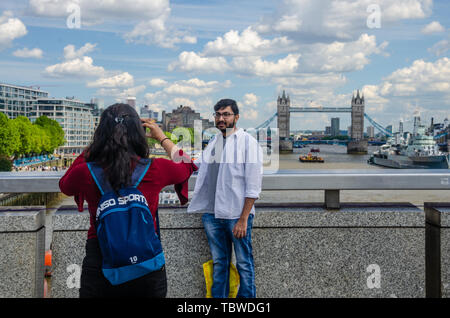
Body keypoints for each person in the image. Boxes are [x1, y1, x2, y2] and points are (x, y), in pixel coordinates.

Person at [59, 103, 197, 298]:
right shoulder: (155, 168)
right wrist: (161, 136)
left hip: (101, 259)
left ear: (101, 132)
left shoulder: (86, 171)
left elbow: (65, 185)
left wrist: (96, 145)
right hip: (146, 261)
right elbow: (187, 164)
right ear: (138, 133)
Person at [187, 98, 263, 298]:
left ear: (236, 117)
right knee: (220, 263)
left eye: (226, 114)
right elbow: (196, 166)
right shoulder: (214, 142)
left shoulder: (249, 143)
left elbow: (253, 187)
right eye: (218, 114)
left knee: (244, 264)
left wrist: (243, 219)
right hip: (212, 215)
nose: (221, 118)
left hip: (236, 215)